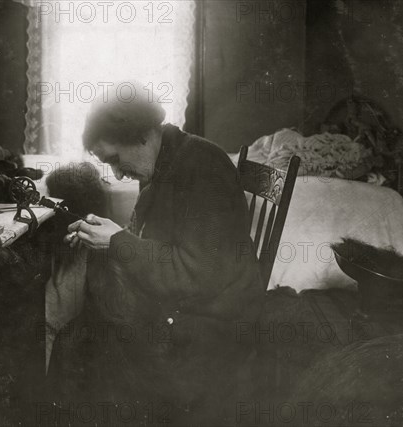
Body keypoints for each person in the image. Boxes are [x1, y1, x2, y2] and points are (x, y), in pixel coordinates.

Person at [48, 85, 262, 425]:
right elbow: (157, 244)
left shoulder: (203, 168)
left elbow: (198, 275)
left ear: (142, 135)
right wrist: (103, 234)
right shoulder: (165, 161)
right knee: (76, 338)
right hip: (185, 309)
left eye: (115, 160)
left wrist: (117, 242)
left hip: (214, 324)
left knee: (80, 348)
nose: (117, 174)